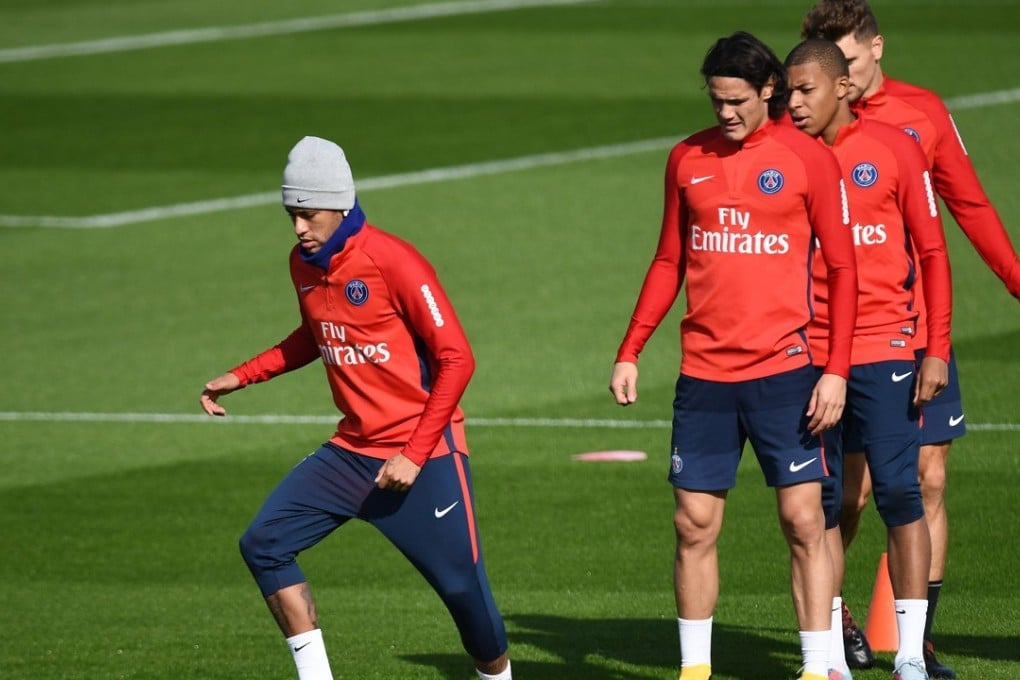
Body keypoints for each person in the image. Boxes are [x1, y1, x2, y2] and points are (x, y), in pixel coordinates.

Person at [199, 136, 512, 680]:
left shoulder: (394, 261)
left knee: (464, 591)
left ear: (339, 204)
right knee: (265, 544)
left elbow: (457, 358)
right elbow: (316, 333)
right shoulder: (303, 264)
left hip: (423, 457)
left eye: (308, 214)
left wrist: (414, 454)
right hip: (350, 454)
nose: (298, 228)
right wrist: (242, 375)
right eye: (291, 215)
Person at [608, 31, 858, 680]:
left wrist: (835, 370)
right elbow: (668, 260)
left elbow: (842, 268)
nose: (725, 112)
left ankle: (816, 668)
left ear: (768, 90)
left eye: (737, 101)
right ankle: (695, 670)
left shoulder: (808, 159)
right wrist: (631, 349)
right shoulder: (686, 158)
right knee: (693, 522)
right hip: (705, 376)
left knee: (803, 521)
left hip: (785, 373)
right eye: (716, 100)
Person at [801, 2, 1020, 677]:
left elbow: (969, 206)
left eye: (850, 62)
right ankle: (831, 617)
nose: (843, 78)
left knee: (927, 480)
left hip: (915, 330)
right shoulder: (802, 127)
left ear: (876, 49)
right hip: (831, 338)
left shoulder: (921, 114)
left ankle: (915, 641)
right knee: (848, 496)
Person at [786, 37, 955, 680]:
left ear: (842, 88)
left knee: (899, 490)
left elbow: (932, 252)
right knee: (823, 504)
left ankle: (910, 654)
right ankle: (829, 656)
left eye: (805, 90)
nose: (793, 103)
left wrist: (936, 348)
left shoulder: (893, 149)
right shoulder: (783, 157)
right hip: (808, 353)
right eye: (789, 90)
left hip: (885, 346)